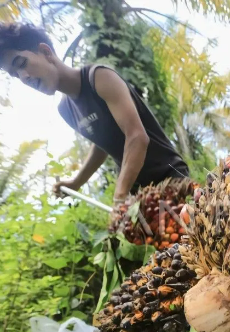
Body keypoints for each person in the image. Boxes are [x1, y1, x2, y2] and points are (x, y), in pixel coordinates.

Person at [0, 23, 189, 207]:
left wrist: (120, 195)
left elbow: (137, 137)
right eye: (16, 74)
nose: (24, 77)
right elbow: (102, 144)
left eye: (22, 63)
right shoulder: (65, 110)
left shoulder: (98, 77)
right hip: (141, 194)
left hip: (170, 177)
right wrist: (76, 183)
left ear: (46, 52)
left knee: (191, 236)